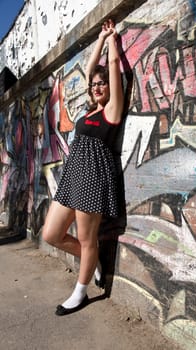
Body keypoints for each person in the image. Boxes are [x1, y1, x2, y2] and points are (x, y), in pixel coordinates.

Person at [42, 19, 124, 316]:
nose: (98, 86)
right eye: (95, 85)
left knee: (88, 239)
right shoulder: (89, 110)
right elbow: (91, 69)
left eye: (102, 84)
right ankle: (95, 261)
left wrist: (113, 40)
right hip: (72, 176)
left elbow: (111, 67)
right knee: (51, 234)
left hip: (93, 178)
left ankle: (81, 291)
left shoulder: (112, 112)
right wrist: (100, 38)